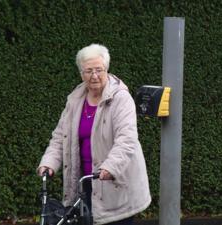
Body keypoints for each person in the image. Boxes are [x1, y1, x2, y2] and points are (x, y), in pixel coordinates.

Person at [37, 43, 151, 225]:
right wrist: (49, 163)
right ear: (81, 73)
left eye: (99, 70)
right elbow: (60, 136)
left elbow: (127, 140)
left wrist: (110, 168)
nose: (94, 76)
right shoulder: (75, 99)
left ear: (106, 69)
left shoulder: (120, 99)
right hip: (85, 183)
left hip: (115, 185)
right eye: (88, 71)